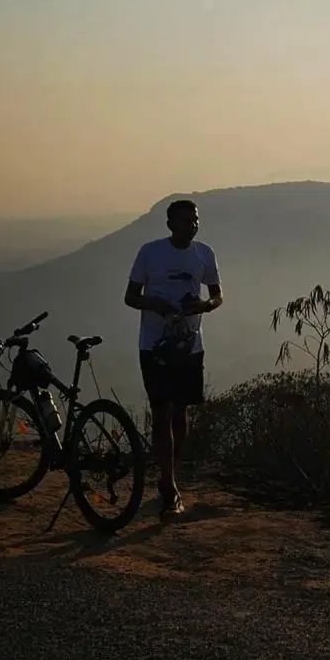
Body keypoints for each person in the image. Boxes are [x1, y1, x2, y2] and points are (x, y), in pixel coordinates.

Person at [124, 198, 223, 518]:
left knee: (180, 413)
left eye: (195, 220)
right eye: (186, 220)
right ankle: (169, 483)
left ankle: (170, 475)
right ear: (170, 225)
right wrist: (156, 304)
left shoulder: (204, 253)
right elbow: (130, 297)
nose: (192, 225)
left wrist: (205, 306)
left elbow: (217, 294)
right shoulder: (149, 252)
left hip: (189, 345)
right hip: (154, 345)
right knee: (161, 411)